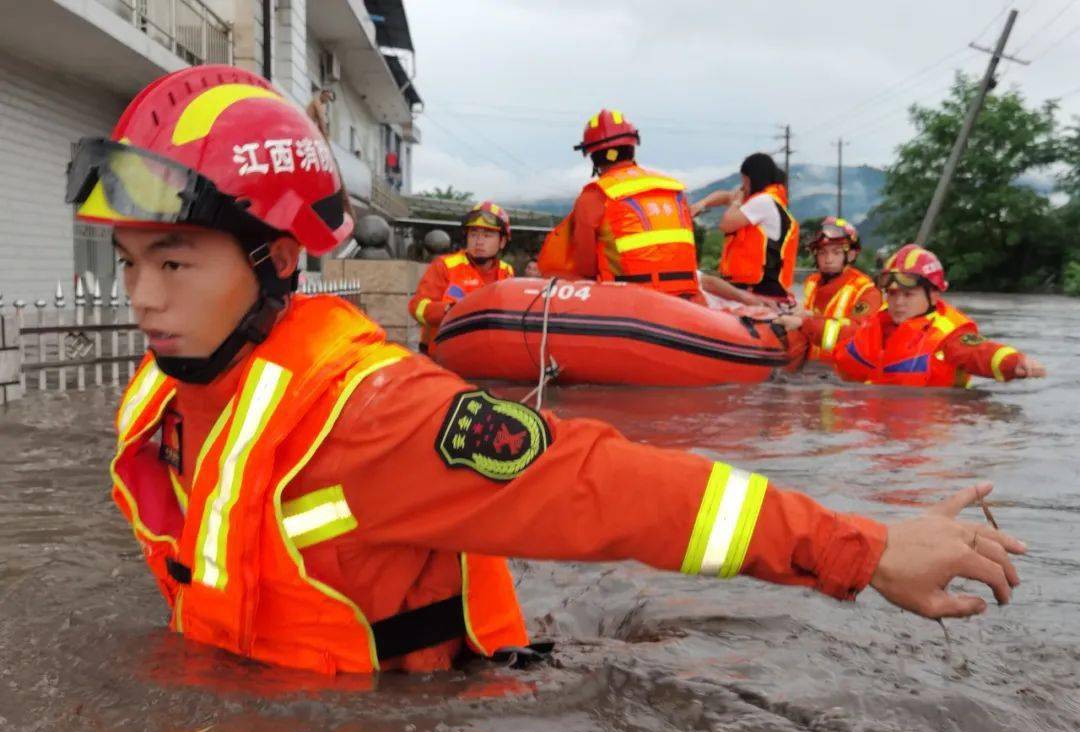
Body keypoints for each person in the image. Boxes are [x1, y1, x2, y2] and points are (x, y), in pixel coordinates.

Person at [69, 66, 1026, 678]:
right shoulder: (170, 395)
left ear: (279, 258)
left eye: (175, 263)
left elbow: (617, 488)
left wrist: (862, 547)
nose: (142, 298)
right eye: (130, 263)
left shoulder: (376, 416)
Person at [776, 244, 1046, 386]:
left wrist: (1014, 362)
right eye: (892, 294)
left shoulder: (948, 335)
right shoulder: (880, 321)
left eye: (908, 295)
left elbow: (980, 353)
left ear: (934, 295)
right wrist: (803, 322)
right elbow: (843, 334)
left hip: (923, 429)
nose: (898, 303)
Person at [546, 109, 702, 300]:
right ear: (632, 147)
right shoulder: (672, 190)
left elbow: (585, 266)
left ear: (593, 157)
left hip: (630, 302)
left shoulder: (595, 195)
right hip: (686, 298)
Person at [408, 201, 515, 354]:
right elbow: (416, 306)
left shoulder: (507, 271)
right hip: (442, 354)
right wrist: (448, 310)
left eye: (487, 235)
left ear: (502, 241)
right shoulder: (445, 265)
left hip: (488, 354)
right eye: (473, 234)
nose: (479, 241)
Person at [693, 153, 798, 303]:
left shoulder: (763, 201)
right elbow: (726, 196)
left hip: (760, 292)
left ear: (752, 178)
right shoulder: (758, 199)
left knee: (702, 288)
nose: (742, 186)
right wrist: (702, 204)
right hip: (746, 289)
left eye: (744, 179)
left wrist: (736, 203)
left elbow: (726, 224)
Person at [801, 217, 881, 361]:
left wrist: (806, 322)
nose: (828, 259)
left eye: (836, 252)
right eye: (822, 252)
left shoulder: (865, 290)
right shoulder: (811, 283)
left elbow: (858, 334)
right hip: (811, 367)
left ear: (850, 255)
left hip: (843, 369)